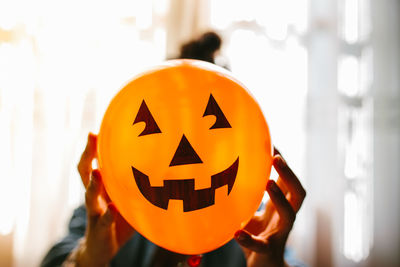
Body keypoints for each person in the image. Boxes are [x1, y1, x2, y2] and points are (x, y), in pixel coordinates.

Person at [41, 32, 307, 267]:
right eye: (154, 126)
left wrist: (271, 266)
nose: (185, 154)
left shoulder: (251, 218)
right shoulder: (111, 208)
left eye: (211, 125)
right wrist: (89, 258)